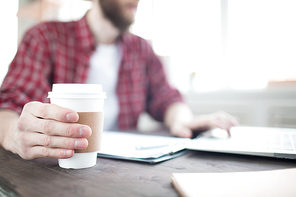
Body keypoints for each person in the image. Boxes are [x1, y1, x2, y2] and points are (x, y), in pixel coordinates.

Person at [0, 0, 239, 160]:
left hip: (123, 165)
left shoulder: (141, 49)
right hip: (60, 166)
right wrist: (12, 134)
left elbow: (166, 98)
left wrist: (184, 120)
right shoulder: (44, 37)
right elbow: (8, 105)